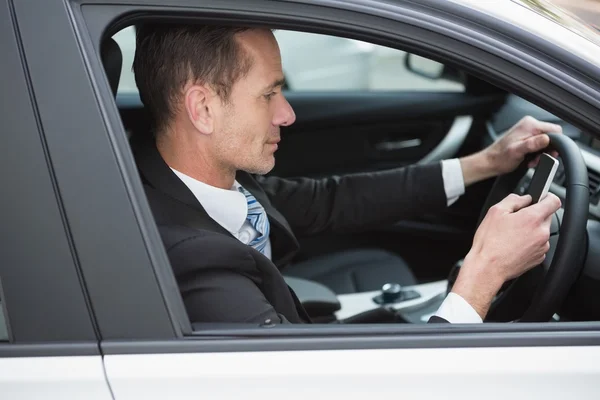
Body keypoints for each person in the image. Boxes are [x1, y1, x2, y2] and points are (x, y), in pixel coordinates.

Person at [130, 24, 562, 324]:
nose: (287, 113)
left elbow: (331, 199)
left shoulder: (203, 181)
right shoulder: (195, 267)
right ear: (203, 109)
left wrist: (485, 162)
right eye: (269, 94)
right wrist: (483, 275)